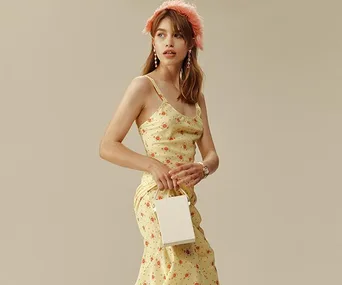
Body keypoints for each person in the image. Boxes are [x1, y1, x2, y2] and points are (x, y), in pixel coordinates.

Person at [99, 0, 220, 284]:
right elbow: (107, 145)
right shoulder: (143, 86)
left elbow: (212, 154)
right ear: (153, 42)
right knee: (179, 267)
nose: (169, 42)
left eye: (177, 35)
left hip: (183, 197)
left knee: (192, 267)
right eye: (161, 34)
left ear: (190, 44)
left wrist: (203, 168)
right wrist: (152, 165)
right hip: (157, 194)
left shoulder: (195, 96)